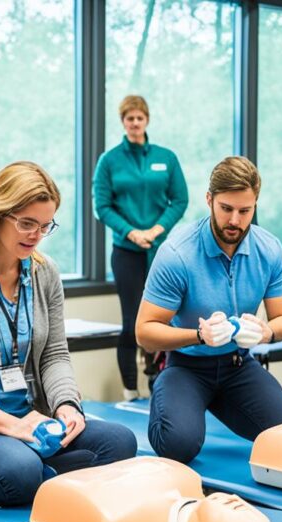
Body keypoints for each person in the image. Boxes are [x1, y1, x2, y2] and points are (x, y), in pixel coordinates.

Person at [0, 161, 137, 506]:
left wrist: (66, 406)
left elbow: (54, 355)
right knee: (19, 471)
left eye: (45, 226)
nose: (36, 235)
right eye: (26, 224)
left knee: (121, 441)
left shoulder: (45, 273)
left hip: (34, 423)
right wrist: (11, 426)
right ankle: (53, 476)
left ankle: (46, 477)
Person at [135, 155, 282, 464]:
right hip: (186, 368)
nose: (235, 221)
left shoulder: (270, 249)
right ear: (209, 200)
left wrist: (267, 332)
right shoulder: (177, 253)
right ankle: (173, 400)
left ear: (255, 205)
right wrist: (200, 335)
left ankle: (215, 401)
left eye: (244, 211)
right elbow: (144, 332)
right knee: (178, 445)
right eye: (226, 209)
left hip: (238, 366)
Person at [94, 95, 189, 400]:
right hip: (127, 251)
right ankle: (130, 390)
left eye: (139, 118)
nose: (134, 123)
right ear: (123, 122)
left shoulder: (166, 157)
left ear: (147, 120)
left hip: (160, 250)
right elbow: (102, 206)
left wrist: (156, 230)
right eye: (129, 118)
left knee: (161, 318)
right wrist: (132, 232)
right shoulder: (109, 161)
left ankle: (157, 383)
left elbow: (181, 200)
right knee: (131, 320)